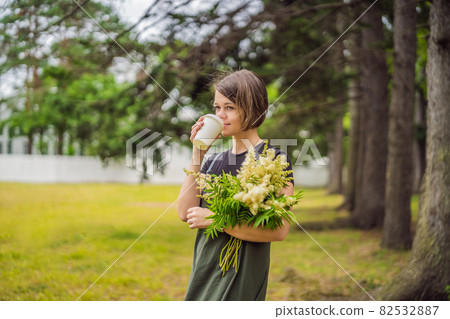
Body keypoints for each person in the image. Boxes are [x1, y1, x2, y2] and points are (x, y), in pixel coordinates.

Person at [176, 69, 294, 301]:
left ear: (253, 108)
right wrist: (198, 154)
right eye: (217, 107)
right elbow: (184, 213)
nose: (220, 115)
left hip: (244, 275)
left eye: (229, 107)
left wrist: (215, 219)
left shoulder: (274, 160)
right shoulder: (213, 162)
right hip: (205, 269)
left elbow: (279, 231)